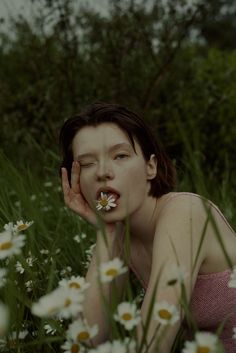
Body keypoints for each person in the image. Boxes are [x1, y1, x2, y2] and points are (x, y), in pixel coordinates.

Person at [59, 102, 236, 353]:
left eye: (120, 156)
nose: (103, 172)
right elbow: (86, 341)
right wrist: (106, 233)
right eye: (87, 163)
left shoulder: (184, 212)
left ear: (150, 166)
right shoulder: (121, 233)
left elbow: (152, 345)